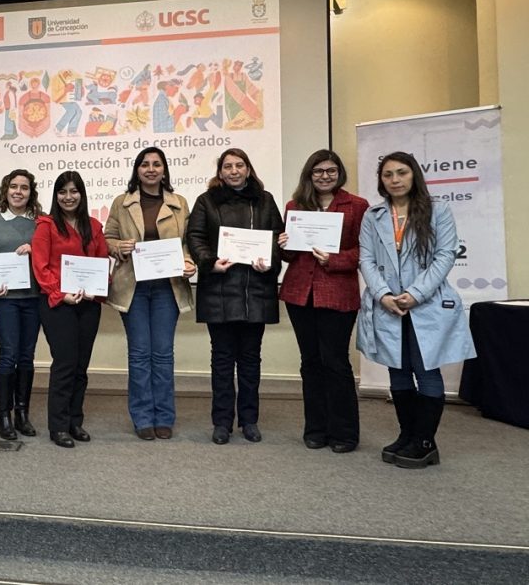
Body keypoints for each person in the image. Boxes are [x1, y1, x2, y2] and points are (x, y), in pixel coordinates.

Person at [357, 151, 475, 468]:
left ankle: (425, 442)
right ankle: (407, 435)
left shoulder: (439, 211)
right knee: (397, 370)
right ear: (381, 181)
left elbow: (445, 256)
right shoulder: (374, 215)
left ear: (414, 175)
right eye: (388, 175)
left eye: (401, 173)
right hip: (387, 305)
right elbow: (366, 259)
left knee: (426, 371)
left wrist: (414, 294)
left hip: (425, 304)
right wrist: (383, 295)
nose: (395, 180)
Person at [185, 148, 282, 445]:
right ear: (220, 172)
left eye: (240, 165)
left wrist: (270, 259)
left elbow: (278, 238)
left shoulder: (265, 201)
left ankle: (249, 420)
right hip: (220, 289)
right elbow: (195, 237)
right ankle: (222, 422)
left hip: (256, 290)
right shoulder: (206, 201)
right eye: (227, 166)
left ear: (249, 169)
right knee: (223, 360)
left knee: (251, 360)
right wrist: (209, 261)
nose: (234, 171)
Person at [277, 150, 368, 453]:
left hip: (338, 293)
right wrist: (283, 245)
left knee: (336, 363)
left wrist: (336, 259)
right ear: (309, 174)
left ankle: (344, 433)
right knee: (310, 363)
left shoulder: (356, 206)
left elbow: (365, 251)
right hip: (300, 293)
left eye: (330, 171)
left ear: (339, 173)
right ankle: (315, 428)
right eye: (318, 171)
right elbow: (290, 256)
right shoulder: (295, 206)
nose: (324, 176)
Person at [105, 147, 196, 441]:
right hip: (133, 287)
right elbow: (108, 238)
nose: (151, 169)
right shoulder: (122, 202)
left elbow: (188, 242)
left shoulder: (179, 203)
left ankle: (164, 416)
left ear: (165, 170)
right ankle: (143, 417)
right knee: (140, 354)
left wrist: (189, 261)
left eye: (157, 164)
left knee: (163, 354)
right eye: (145, 164)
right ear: (137, 170)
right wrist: (118, 247)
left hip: (167, 288)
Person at [32, 171, 109, 448]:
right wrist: (60, 293)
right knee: (65, 363)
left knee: (81, 366)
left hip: (88, 304)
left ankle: (75, 421)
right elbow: (40, 267)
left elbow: (102, 263)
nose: (68, 197)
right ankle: (58, 426)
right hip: (58, 304)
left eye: (74, 191)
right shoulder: (46, 225)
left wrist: (98, 287)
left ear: (82, 194)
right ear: (56, 196)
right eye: (62, 192)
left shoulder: (94, 226)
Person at [0, 169, 43, 440]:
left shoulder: (41, 222)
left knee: (26, 356)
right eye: (14, 187)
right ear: (6, 190)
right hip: (5, 300)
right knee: (8, 353)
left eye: (24, 187)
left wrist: (35, 249)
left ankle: (22, 413)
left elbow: (51, 255)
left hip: (33, 298)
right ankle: (3, 414)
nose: (19, 191)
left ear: (31, 192)